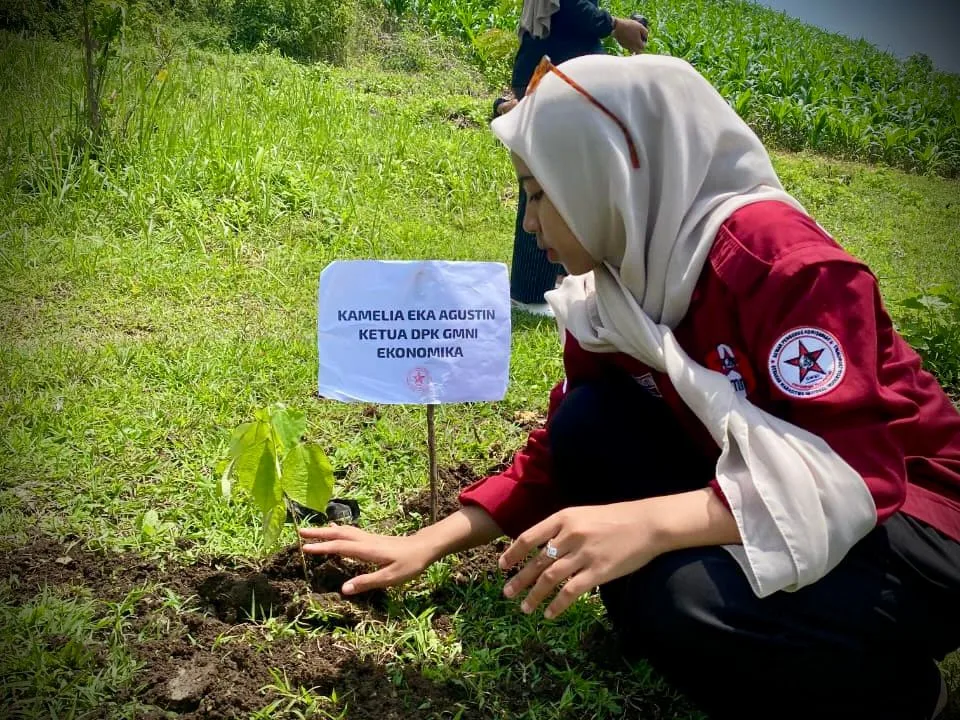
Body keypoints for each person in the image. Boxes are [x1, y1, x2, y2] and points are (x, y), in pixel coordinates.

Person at [302, 54, 960, 719]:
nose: (530, 225)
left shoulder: (780, 265)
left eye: (536, 192)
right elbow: (563, 451)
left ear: (606, 171)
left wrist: (648, 522)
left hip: (916, 515)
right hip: (766, 487)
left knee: (685, 602)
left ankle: (897, 698)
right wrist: (425, 543)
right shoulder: (615, 289)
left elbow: (856, 474)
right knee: (590, 425)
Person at [493, 0, 648, 315]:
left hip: (557, 77)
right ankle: (532, 292)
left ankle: (555, 279)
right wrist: (618, 27)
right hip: (554, 79)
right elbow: (569, 6)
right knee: (547, 180)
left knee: (563, 178)